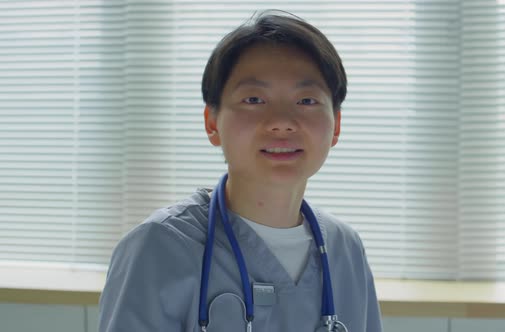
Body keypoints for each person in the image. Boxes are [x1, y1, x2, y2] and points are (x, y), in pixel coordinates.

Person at [98, 10, 382, 332]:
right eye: (254, 99)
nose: (282, 121)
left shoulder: (345, 249)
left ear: (336, 126)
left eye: (306, 100)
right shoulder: (158, 249)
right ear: (212, 123)